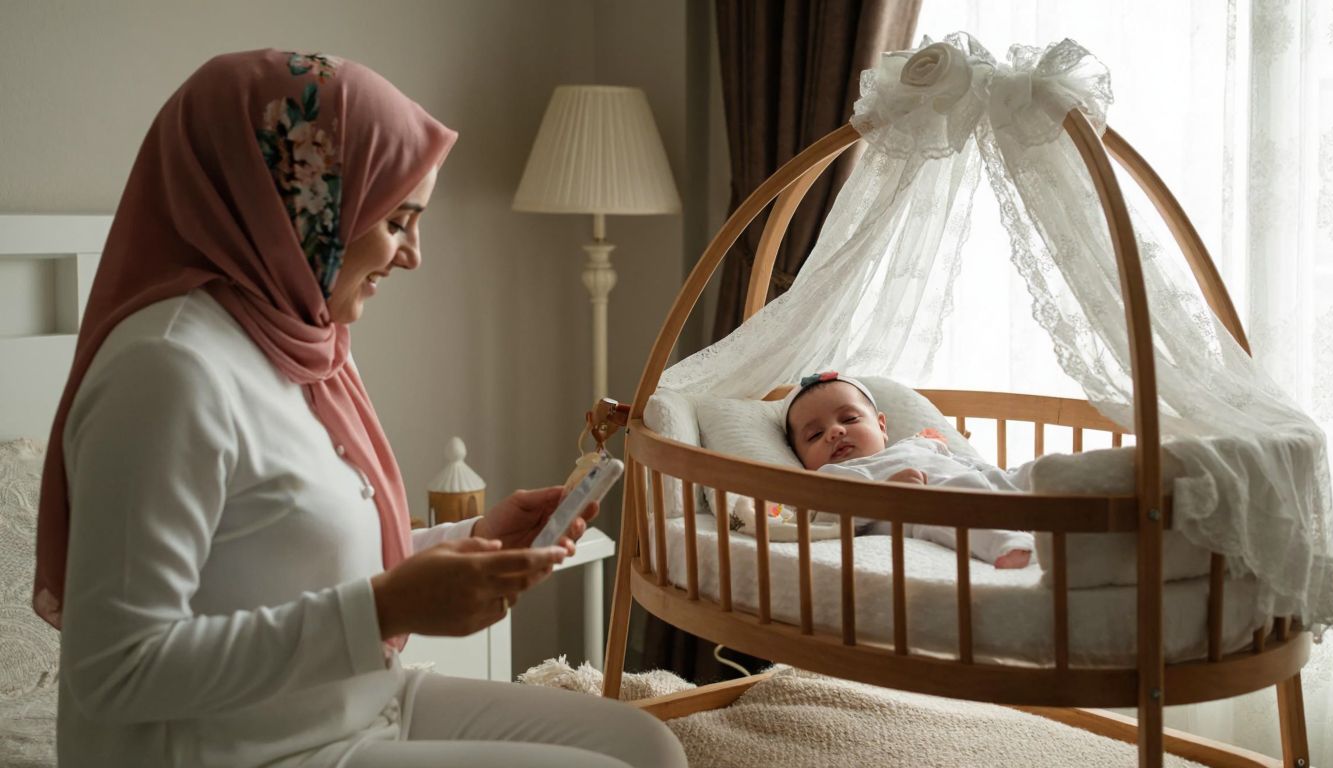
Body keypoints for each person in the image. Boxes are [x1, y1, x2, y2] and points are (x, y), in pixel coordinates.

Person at [33, 49, 685, 768]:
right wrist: (384, 611)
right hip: (245, 749)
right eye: (398, 220)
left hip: (356, 702)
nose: (413, 255)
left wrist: (472, 543)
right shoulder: (166, 371)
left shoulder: (298, 338)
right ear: (298, 208)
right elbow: (114, 668)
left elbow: (287, 559)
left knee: (648, 747)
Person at [783, 372, 1033, 568]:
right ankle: (1006, 544)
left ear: (881, 426)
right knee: (939, 517)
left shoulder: (913, 444)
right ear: (801, 458)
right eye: (815, 434)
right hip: (928, 509)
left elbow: (959, 459)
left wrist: (991, 472)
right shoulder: (832, 479)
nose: (835, 432)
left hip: (981, 483)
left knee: (1029, 473)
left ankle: (1066, 480)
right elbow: (829, 522)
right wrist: (887, 496)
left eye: (849, 419)